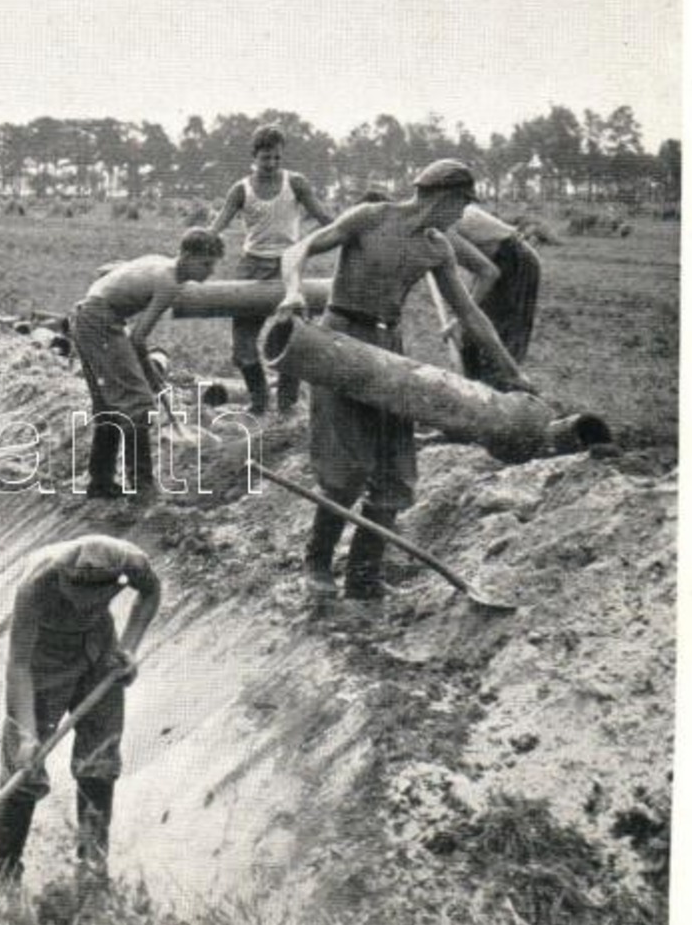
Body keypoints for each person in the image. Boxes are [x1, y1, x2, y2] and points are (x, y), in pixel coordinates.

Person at [274, 160, 534, 600]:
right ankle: (317, 564)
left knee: (396, 472)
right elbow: (296, 250)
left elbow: (470, 314)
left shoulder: (438, 247)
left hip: (389, 349)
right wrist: (293, 291)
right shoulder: (371, 217)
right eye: (462, 204)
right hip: (339, 341)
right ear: (442, 196)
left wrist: (513, 372)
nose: (461, 215)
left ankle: (364, 576)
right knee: (343, 470)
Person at [0, 535, 161, 889]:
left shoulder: (132, 562)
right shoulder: (37, 583)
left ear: (115, 582)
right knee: (24, 769)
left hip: (100, 652)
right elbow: (18, 664)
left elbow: (151, 593)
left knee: (99, 760)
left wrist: (128, 649)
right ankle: (5, 878)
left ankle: (92, 872)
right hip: (42, 659)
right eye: (75, 596)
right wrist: (25, 734)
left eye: (92, 599)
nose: (82, 604)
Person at [69, 229, 221, 499]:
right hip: (101, 320)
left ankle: (100, 481)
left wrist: (146, 371)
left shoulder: (159, 262)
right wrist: (150, 375)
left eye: (213, 265)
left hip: (86, 316)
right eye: (205, 264)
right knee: (138, 404)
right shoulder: (169, 282)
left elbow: (109, 273)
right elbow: (139, 337)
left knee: (108, 404)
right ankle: (141, 486)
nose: (210, 272)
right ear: (186, 256)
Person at [206, 125, 334, 414]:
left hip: (288, 266)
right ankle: (259, 400)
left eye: (277, 157)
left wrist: (347, 234)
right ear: (254, 157)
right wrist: (198, 245)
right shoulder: (241, 190)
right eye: (266, 158)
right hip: (252, 267)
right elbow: (217, 226)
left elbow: (325, 217)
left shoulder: (296, 183)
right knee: (243, 348)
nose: (272, 164)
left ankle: (287, 405)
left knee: (294, 339)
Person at [451, 205, 543, 384]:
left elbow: (488, 273)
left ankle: (504, 389)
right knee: (470, 336)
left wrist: (460, 317)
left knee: (500, 334)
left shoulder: (441, 228)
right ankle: (475, 389)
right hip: (493, 263)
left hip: (516, 262)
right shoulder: (430, 224)